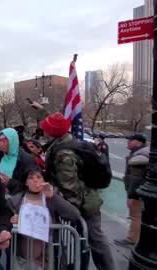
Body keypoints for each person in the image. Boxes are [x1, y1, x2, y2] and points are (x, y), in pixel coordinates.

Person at [35, 104, 116, 270]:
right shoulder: (65, 139)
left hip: (86, 204)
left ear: (53, 132)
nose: (45, 130)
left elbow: (69, 185)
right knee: (90, 238)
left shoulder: (63, 153)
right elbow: (57, 123)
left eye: (47, 128)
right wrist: (42, 110)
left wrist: (71, 211)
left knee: (95, 238)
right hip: (87, 199)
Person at [9, 168, 80, 270]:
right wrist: (12, 221)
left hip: (47, 258)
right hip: (21, 258)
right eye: (31, 178)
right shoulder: (16, 201)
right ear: (26, 182)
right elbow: (4, 220)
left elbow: (74, 215)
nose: (35, 180)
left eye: (39, 177)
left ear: (44, 181)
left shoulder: (50, 199)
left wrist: (53, 197)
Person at [114, 134, 149, 247]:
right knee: (139, 216)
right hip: (142, 191)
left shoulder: (140, 155)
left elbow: (136, 179)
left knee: (136, 216)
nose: (128, 142)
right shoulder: (141, 153)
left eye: (131, 140)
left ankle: (132, 239)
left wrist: (131, 196)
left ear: (139, 142)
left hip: (138, 192)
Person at [0, 128, 38, 195]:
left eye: (4, 141)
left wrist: (10, 183)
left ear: (13, 141)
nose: (0, 144)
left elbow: (33, 186)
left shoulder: (27, 160)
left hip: (16, 201)